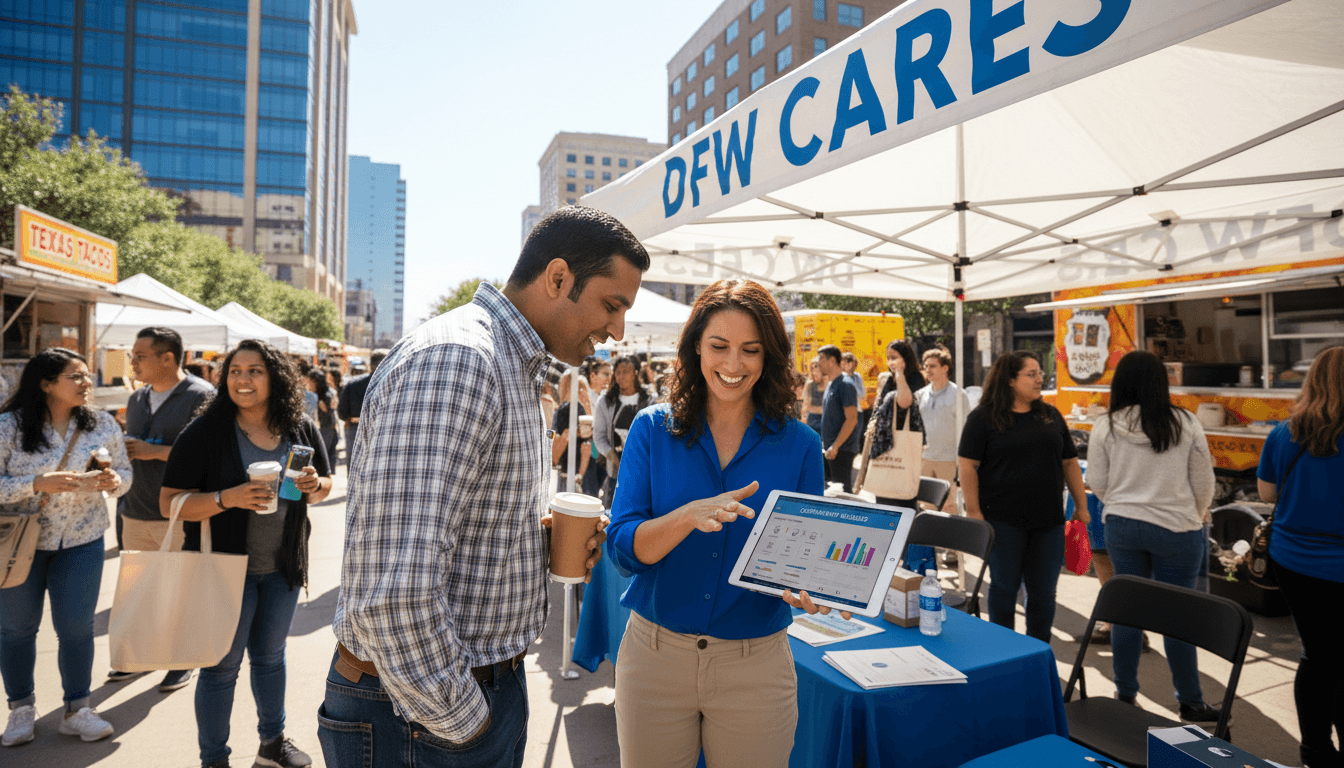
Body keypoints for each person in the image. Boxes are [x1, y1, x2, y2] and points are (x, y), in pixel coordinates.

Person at [322, 206, 647, 768]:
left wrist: (535, 542)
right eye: (612, 305)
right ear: (558, 278)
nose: (617, 330)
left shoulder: (509, 365)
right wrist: (466, 720)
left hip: (453, 700)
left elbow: (451, 527)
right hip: (422, 716)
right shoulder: (461, 360)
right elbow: (394, 592)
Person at [606, 278, 833, 768]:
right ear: (695, 348)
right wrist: (686, 518)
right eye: (719, 346)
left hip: (757, 667)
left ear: (769, 356)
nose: (733, 365)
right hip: (654, 661)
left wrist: (806, 584)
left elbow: (806, 554)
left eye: (750, 350)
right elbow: (622, 549)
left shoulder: (801, 445)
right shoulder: (651, 429)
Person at [160, 339, 333, 768]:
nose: (243, 379)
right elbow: (170, 503)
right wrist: (228, 497)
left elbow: (326, 484)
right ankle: (214, 759)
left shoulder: (299, 427)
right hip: (222, 569)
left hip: (282, 567)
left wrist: (314, 487)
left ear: (274, 378)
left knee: (271, 659)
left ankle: (272, 745)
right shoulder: (205, 431)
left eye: (255, 370)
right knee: (221, 668)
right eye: (235, 371)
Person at [0, 348, 131, 747]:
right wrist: (37, 483)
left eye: (87, 375)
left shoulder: (102, 424)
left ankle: (78, 709)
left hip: (82, 539)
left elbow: (124, 472)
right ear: (46, 383)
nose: (86, 382)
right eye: (76, 376)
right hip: (20, 543)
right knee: (16, 629)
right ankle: (21, 709)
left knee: (76, 628)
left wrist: (114, 484)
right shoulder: (9, 426)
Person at [1086, 350, 1220, 722]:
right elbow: (1204, 481)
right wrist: (1193, 514)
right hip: (1178, 529)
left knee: (1127, 612)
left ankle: (1125, 694)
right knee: (1177, 616)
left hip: (1124, 526)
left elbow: (1097, 482)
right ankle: (1190, 701)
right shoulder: (1185, 422)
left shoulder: (1106, 426)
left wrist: (1120, 502)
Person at [107, 327, 214, 692]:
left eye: (139, 355)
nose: (132, 361)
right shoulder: (137, 398)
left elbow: (211, 458)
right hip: (136, 507)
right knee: (140, 588)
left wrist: (156, 452)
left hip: (181, 511)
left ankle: (183, 659)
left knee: (179, 589)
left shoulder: (203, 397)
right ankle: (141, 657)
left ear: (168, 358)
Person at [958, 350, 1089, 643]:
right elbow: (967, 464)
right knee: (1004, 589)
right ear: (1010, 380)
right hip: (1002, 521)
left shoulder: (1050, 415)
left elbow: (1069, 462)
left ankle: (1037, 650)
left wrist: (1081, 506)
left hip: (1049, 521)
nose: (1039, 379)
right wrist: (974, 512)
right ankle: (1003, 650)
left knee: (1044, 593)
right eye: (1031, 374)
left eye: (1040, 373)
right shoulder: (984, 417)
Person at [1256, 347, 1344, 768]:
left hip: (1293, 561)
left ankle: (1315, 750)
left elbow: (1267, 494)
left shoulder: (1283, 433)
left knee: (1318, 654)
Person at [860, 339, 932, 573]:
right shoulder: (888, 381)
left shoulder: (913, 379)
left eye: (895, 357)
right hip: (884, 452)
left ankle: (908, 568)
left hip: (902, 452)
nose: (891, 361)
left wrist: (899, 374)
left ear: (905, 357)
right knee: (886, 513)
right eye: (888, 357)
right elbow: (877, 416)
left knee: (904, 512)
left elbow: (905, 402)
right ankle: (891, 567)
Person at [914, 347, 970, 515]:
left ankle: (949, 541)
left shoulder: (958, 395)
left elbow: (966, 428)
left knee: (948, 505)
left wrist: (963, 459)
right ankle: (927, 540)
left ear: (945, 368)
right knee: (925, 505)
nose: (927, 370)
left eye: (932, 366)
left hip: (949, 458)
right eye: (926, 366)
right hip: (924, 458)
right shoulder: (920, 395)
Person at [593, 355, 653, 504]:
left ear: (636, 373)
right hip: (615, 475)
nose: (621, 376)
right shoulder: (606, 401)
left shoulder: (649, 400)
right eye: (617, 372)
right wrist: (614, 458)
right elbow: (599, 437)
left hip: (645, 476)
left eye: (626, 371)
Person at [818, 345, 860, 492]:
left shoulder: (845, 384)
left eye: (821, 359)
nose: (818, 363)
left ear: (832, 360)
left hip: (842, 449)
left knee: (842, 495)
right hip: (830, 448)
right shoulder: (831, 383)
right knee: (832, 492)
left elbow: (852, 419)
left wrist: (835, 446)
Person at [337, 349, 387, 467]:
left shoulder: (352, 383)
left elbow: (341, 413)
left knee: (354, 464)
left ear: (370, 365)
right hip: (383, 430)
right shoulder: (394, 385)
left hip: (355, 428)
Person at [551, 369, 590, 492]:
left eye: (563, 385)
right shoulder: (571, 408)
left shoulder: (568, 410)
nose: (560, 389)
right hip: (572, 471)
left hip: (570, 472)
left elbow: (587, 444)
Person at [581, 358, 613, 497]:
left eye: (610, 374)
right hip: (589, 450)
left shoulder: (607, 398)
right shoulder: (584, 396)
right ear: (592, 376)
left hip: (602, 452)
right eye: (605, 374)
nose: (609, 378)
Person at [305, 369, 339, 468]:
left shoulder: (325, 396)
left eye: (310, 381)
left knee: (322, 458)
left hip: (325, 429)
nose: (308, 384)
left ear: (316, 382)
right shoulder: (325, 393)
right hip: (327, 428)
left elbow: (329, 411)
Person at [803, 356, 825, 436]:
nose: (814, 372)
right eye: (812, 369)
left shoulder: (831, 384)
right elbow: (806, 406)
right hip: (813, 422)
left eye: (816, 368)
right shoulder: (810, 384)